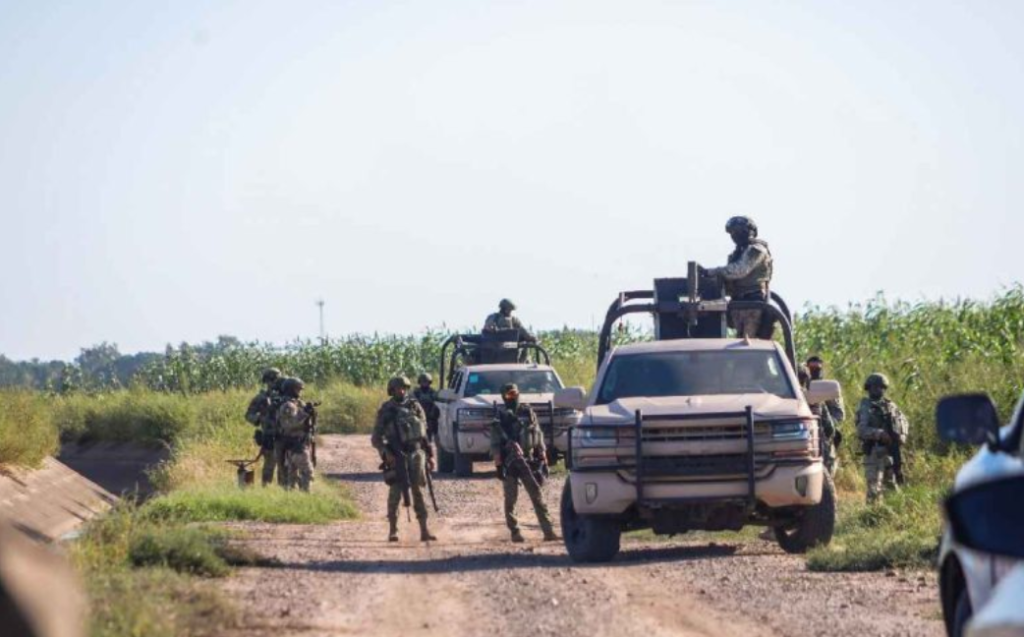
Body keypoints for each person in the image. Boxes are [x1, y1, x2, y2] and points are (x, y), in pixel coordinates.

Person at [371, 376, 437, 542]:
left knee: (419, 492)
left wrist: (430, 455)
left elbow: (424, 433)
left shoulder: (415, 406)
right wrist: (386, 453)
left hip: (416, 453)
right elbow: (376, 438)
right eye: (398, 388)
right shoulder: (386, 409)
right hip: (396, 455)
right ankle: (393, 530)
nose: (401, 391)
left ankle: (424, 530)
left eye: (404, 388)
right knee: (395, 493)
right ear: (391, 390)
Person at [491, 383, 558, 543]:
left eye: (514, 394)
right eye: (509, 395)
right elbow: (495, 444)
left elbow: (537, 434)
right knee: (511, 500)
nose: (512, 398)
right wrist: (499, 464)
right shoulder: (500, 417)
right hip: (510, 461)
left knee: (537, 496)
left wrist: (542, 454)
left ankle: (548, 531)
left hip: (528, 461)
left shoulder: (528, 412)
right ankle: (515, 532)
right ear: (504, 397)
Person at [705, 216, 774, 338]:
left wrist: (713, 272)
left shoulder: (757, 249)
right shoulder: (736, 254)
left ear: (749, 231)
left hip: (754, 303)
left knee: (749, 343)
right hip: (738, 303)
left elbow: (740, 270)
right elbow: (730, 280)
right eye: (732, 232)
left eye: (737, 231)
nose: (734, 235)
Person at [855, 373, 909, 503]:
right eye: (874, 387)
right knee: (874, 490)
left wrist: (901, 436)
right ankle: (869, 519)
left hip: (890, 452)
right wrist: (879, 434)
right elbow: (861, 430)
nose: (877, 390)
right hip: (874, 452)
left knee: (892, 488)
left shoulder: (890, 405)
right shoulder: (866, 406)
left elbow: (904, 422)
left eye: (880, 387)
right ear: (868, 388)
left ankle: (891, 518)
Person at [244, 367, 286, 487]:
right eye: (271, 380)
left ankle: (284, 492)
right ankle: (266, 489)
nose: (272, 383)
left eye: (274, 380)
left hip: (285, 436)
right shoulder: (261, 398)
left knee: (284, 465)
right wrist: (259, 419)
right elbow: (248, 415)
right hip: (269, 435)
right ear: (267, 381)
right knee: (269, 465)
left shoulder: (287, 397)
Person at [806, 355, 845, 475]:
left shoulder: (827, 388)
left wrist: (827, 425)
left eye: (817, 369)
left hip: (824, 433)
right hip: (804, 432)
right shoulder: (800, 387)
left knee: (827, 470)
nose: (814, 371)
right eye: (811, 368)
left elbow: (838, 414)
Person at [276, 377, 316, 492]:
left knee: (292, 477)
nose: (300, 392)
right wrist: (305, 414)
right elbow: (289, 424)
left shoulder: (297, 403)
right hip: (295, 445)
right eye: (298, 389)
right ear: (291, 390)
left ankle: (293, 500)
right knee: (307, 472)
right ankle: (306, 497)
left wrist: (309, 411)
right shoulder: (287, 405)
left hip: (298, 444)